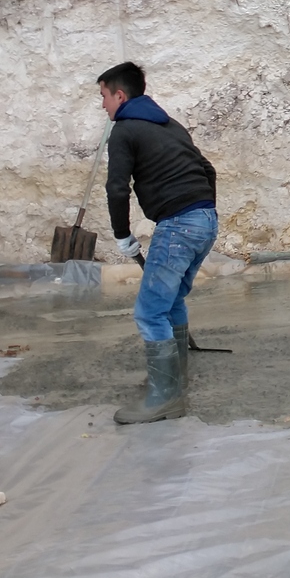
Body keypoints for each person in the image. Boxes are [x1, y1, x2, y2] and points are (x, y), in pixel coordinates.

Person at [97, 61, 219, 424]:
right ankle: (173, 381)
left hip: (179, 225)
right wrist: (201, 206)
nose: (102, 105)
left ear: (120, 95)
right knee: (171, 301)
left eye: (103, 96)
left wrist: (122, 235)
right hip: (205, 221)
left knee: (150, 312)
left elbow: (117, 187)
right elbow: (208, 169)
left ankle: (165, 398)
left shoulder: (124, 130)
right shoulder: (171, 125)